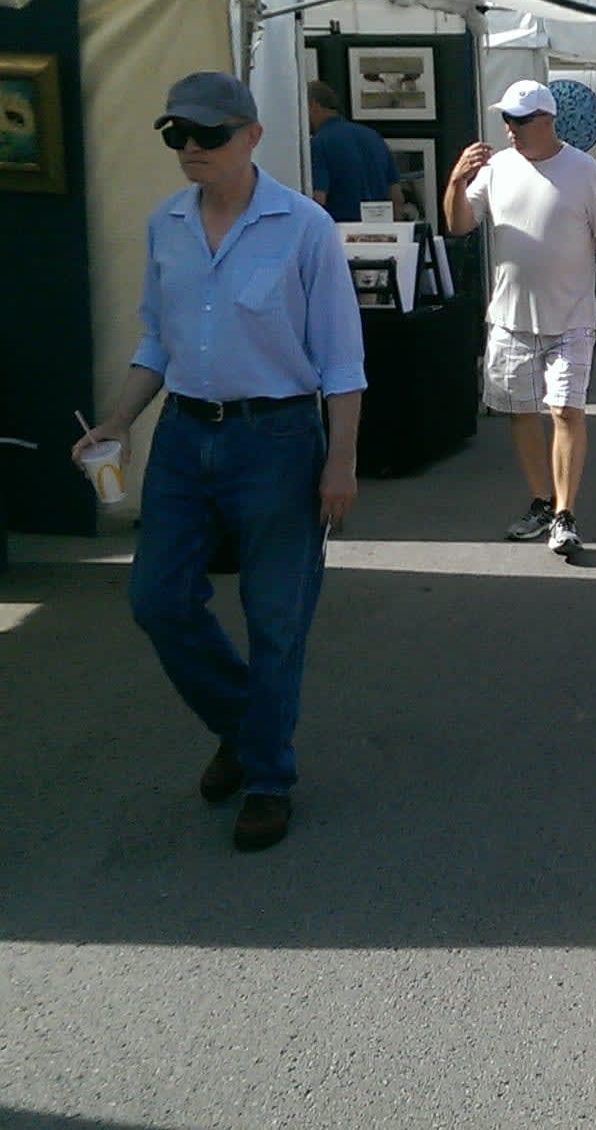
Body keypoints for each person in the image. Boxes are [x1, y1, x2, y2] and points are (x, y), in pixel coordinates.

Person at [72, 72, 365, 854]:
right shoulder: (165, 224)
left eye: (207, 135)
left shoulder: (303, 227)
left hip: (275, 440)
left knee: (276, 618)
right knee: (157, 599)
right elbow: (156, 341)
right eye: (177, 136)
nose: (191, 149)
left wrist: (340, 463)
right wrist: (119, 421)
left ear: (252, 136)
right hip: (183, 435)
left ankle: (267, 777)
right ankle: (244, 725)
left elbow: (341, 362)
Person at [444, 79, 596, 556]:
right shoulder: (498, 168)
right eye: (507, 119)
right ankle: (543, 502)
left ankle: (565, 512)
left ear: (547, 121)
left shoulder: (583, 169)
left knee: (566, 409)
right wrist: (456, 181)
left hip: (570, 315)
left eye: (521, 121)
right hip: (510, 316)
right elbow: (459, 224)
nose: (511, 130)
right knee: (520, 413)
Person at [307, 79, 405, 223]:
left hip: (343, 234)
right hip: (382, 233)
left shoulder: (319, 143)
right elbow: (396, 196)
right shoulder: (373, 136)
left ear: (312, 104)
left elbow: (318, 200)